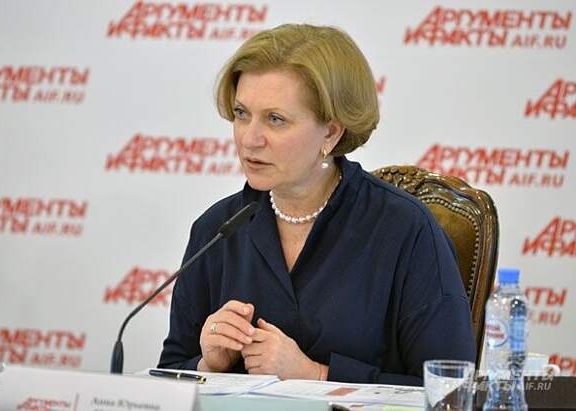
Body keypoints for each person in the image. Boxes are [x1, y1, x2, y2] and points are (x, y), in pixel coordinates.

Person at [158, 23, 475, 385]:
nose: (250, 139)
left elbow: (452, 388)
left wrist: (316, 374)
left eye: (275, 119)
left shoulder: (405, 229)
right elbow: (168, 374)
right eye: (242, 113)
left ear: (331, 132)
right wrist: (207, 365)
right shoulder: (216, 229)